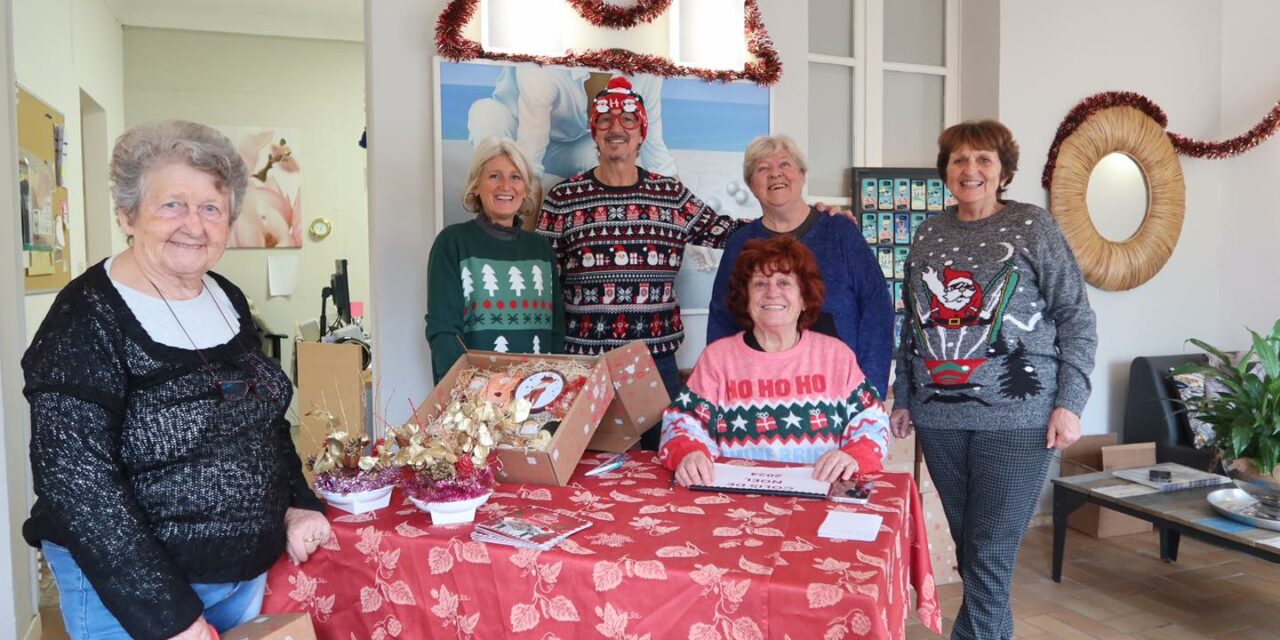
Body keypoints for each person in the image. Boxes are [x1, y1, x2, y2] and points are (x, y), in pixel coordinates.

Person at [22, 120, 329, 640]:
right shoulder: (85, 317)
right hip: (133, 599)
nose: (194, 224)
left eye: (211, 207)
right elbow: (77, 484)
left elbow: (261, 420)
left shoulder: (224, 295)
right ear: (126, 214)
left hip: (243, 576)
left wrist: (298, 502)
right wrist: (170, 618)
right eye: (171, 205)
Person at [536, 77, 852, 450]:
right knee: (585, 467)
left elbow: (734, 234)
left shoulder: (669, 195)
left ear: (642, 133)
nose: (616, 128)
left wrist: (809, 219)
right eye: (605, 121)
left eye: (628, 120)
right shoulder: (564, 198)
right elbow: (542, 279)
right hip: (585, 361)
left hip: (653, 361)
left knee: (665, 459)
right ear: (594, 132)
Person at [890, 120, 1097, 640]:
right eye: (959, 160)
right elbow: (912, 320)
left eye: (983, 159)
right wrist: (905, 394)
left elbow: (1075, 315)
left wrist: (1070, 400)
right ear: (946, 171)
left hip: (1017, 417)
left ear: (1003, 169)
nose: (971, 170)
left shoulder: (1033, 227)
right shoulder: (930, 231)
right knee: (974, 549)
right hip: (940, 416)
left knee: (990, 550)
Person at [659, 235, 890, 487]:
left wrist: (853, 456)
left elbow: (873, 424)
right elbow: (681, 425)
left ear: (804, 298)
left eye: (784, 282)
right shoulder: (718, 359)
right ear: (746, 299)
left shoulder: (837, 356)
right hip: (737, 503)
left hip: (819, 497)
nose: (771, 293)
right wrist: (690, 453)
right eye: (759, 284)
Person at [707, 135, 894, 397]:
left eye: (785, 164)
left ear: (802, 175)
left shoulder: (841, 232)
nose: (775, 174)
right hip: (759, 393)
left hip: (839, 391)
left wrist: (869, 393)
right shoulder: (741, 243)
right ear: (750, 185)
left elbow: (877, 311)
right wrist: (721, 391)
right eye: (762, 168)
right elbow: (722, 320)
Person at [427, 137, 564, 382]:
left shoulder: (541, 250)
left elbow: (555, 332)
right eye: (494, 176)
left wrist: (552, 393)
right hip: (477, 405)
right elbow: (444, 333)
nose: (505, 186)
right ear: (476, 186)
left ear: (525, 188)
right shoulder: (453, 243)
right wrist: (469, 397)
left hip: (535, 400)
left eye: (515, 177)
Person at [467, 67, 677, 182]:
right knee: (484, 113)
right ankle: (491, 211)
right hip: (516, 133)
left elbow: (654, 149)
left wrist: (684, 219)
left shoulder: (643, 69)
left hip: (570, 146)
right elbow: (530, 156)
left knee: (618, 159)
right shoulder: (545, 63)